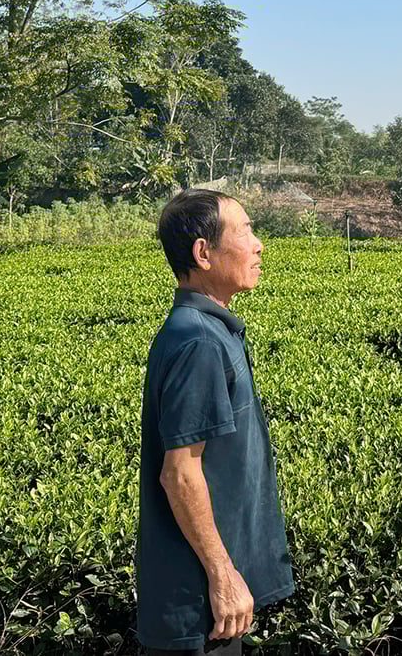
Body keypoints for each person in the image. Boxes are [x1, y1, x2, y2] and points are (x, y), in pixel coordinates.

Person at [137, 189, 294, 655]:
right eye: (245, 231)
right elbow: (180, 473)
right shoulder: (198, 342)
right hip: (200, 606)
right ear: (203, 253)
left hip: (211, 604)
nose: (258, 244)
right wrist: (223, 575)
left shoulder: (209, 331)